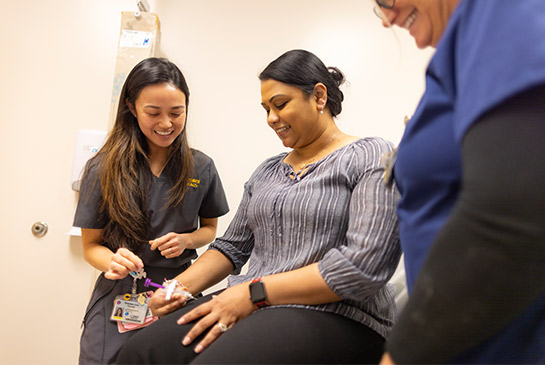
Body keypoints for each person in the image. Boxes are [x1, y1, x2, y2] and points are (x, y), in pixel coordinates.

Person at [116, 49, 401, 364]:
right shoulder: (267, 171)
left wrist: (254, 293)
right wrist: (178, 288)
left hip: (340, 313)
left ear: (319, 96)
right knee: (138, 353)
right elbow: (231, 247)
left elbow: (361, 267)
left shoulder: (371, 155)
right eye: (266, 109)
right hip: (255, 303)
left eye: (280, 105)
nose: (271, 119)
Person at [372, 0, 545, 363]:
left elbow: (516, 211)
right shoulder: (464, 51)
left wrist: (402, 354)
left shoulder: (498, 9)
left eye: (385, 0)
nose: (387, 16)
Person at [74, 57, 229, 364]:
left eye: (176, 112)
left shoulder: (201, 166)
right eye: (153, 112)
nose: (166, 124)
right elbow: (91, 246)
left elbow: (209, 230)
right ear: (131, 107)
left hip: (177, 290)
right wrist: (113, 260)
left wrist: (187, 241)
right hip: (120, 293)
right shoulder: (102, 168)